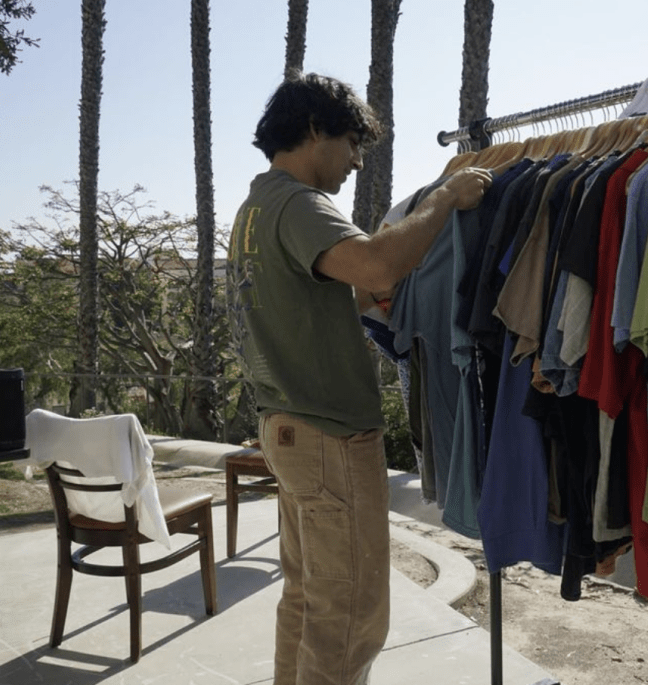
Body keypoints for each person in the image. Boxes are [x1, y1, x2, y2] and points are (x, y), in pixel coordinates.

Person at [226, 71, 491, 685]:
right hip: (328, 436)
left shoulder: (255, 207)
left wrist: (363, 305)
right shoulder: (299, 203)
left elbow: (306, 301)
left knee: (311, 600)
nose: (355, 162)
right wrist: (444, 199)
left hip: (288, 427)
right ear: (316, 129)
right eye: (351, 143)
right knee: (351, 617)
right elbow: (377, 265)